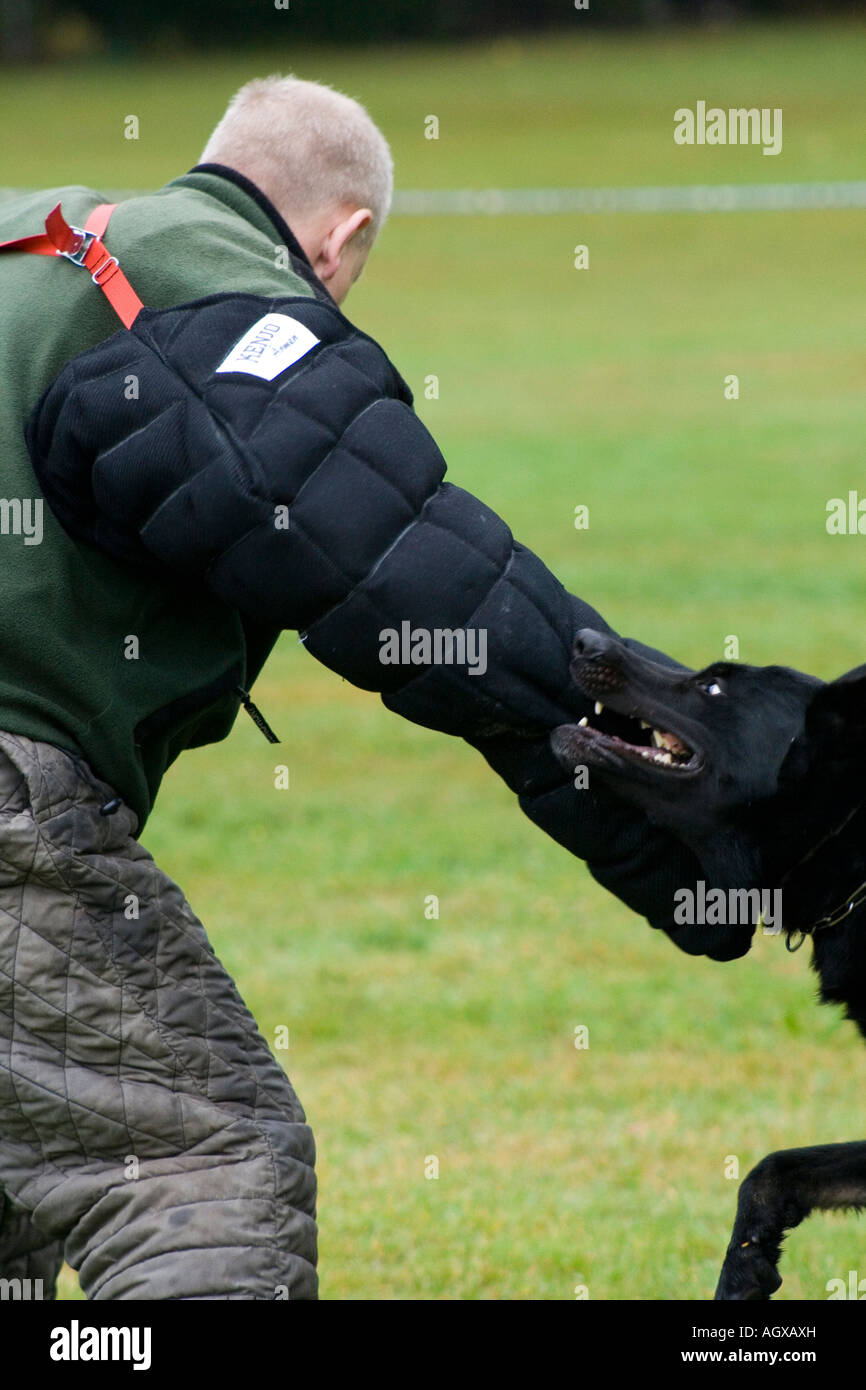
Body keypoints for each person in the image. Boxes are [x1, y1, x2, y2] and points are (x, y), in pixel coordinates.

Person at [0, 75, 750, 1302]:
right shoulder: (206, 281)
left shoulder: (36, 244)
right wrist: (688, 764)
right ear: (342, 241)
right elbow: (412, 575)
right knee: (205, 1161)